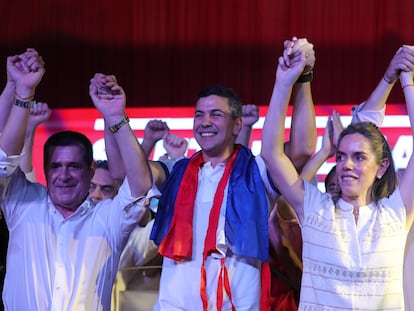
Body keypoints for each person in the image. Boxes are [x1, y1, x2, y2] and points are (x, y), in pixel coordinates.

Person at [149, 38, 316, 311]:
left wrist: (302, 79)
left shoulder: (255, 174)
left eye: (216, 114)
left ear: (237, 125)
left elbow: (301, 150)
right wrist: (115, 118)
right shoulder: (176, 171)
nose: (205, 122)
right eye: (199, 114)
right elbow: (129, 174)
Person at [261, 43, 414, 309]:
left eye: (359, 157)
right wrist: (283, 83)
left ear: (382, 167)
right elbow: (272, 154)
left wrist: (406, 82)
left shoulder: (395, 213)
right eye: (341, 156)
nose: (346, 165)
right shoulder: (316, 208)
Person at [0, 51, 156, 311]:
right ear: (45, 169)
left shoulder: (108, 218)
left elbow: (140, 187)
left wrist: (116, 116)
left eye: (73, 166)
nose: (64, 175)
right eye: (56, 167)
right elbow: (4, 159)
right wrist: (22, 92)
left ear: (90, 169)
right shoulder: (22, 203)